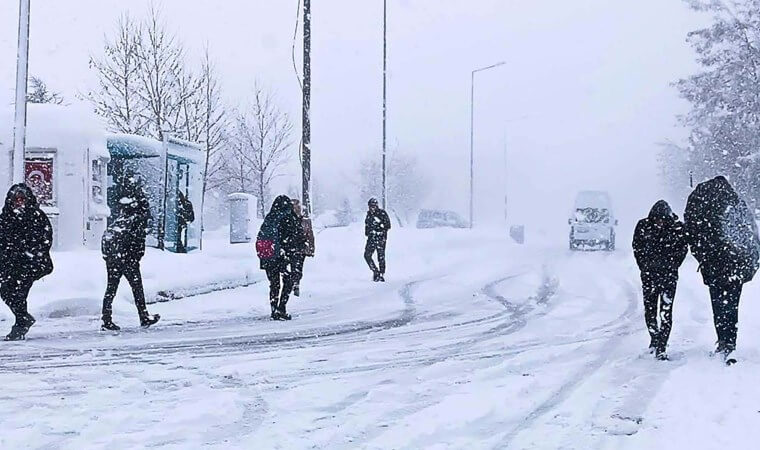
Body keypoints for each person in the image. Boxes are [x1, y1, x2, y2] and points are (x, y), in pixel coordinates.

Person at [685, 176, 760, 364]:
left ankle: (723, 340)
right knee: (732, 306)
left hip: (715, 269)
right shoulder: (736, 205)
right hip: (736, 268)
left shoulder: (704, 209)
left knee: (719, 306)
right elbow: (751, 236)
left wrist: (704, 258)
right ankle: (730, 342)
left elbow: (695, 237)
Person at [100, 174, 160, 330]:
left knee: (111, 288)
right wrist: (134, 256)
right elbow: (136, 241)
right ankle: (143, 316)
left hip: (114, 257)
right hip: (128, 259)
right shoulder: (137, 219)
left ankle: (106, 318)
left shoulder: (122, 217)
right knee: (137, 287)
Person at [632, 200, 688, 360]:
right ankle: (654, 338)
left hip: (668, 277)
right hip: (649, 276)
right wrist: (645, 267)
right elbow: (637, 248)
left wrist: (672, 265)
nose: (659, 223)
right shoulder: (643, 227)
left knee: (666, 312)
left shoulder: (677, 229)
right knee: (650, 311)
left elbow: (683, 249)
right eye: (657, 219)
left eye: (662, 220)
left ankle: (662, 345)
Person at [0, 184, 53, 341]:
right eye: (16, 200)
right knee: (6, 292)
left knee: (19, 292)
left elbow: (45, 239)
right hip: (10, 265)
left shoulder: (36, 216)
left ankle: (21, 324)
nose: (19, 203)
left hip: (31, 265)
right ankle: (22, 319)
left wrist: (31, 254)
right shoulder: (6, 217)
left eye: (22, 199)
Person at [257, 195, 300, 320]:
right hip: (283, 255)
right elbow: (292, 235)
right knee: (288, 280)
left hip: (268, 255)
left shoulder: (270, 217)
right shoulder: (288, 216)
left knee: (274, 283)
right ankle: (282, 307)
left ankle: (274, 308)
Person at [290, 198, 315, 297]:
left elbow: (310, 235)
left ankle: (296, 283)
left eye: (298, 207)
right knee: (294, 266)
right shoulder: (288, 220)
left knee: (298, 267)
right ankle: (294, 283)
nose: (297, 209)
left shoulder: (305, 221)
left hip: (301, 248)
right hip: (291, 247)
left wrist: (311, 248)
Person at [364, 198, 391, 282]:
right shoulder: (369, 215)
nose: (372, 208)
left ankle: (382, 274)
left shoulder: (382, 213)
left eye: (373, 206)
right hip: (371, 238)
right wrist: (368, 232)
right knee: (367, 255)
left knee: (381, 257)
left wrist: (379, 228)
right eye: (370, 206)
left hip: (380, 238)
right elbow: (367, 225)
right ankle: (375, 271)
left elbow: (388, 225)